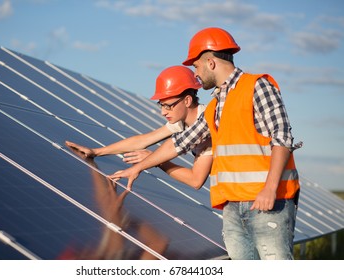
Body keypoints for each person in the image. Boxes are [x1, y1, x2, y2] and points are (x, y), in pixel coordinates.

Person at [109, 27, 302, 260]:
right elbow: (179, 143)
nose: (196, 74)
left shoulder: (256, 86)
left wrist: (270, 188)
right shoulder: (215, 106)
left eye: (197, 66)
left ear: (210, 62)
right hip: (232, 207)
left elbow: (281, 137)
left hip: (267, 202)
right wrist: (138, 167)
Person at [66, 65, 212, 190]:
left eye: (168, 106)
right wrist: (97, 152)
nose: (163, 112)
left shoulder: (208, 125)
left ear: (187, 100)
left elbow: (195, 181)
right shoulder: (182, 122)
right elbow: (144, 140)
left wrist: (156, 161)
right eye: (161, 105)